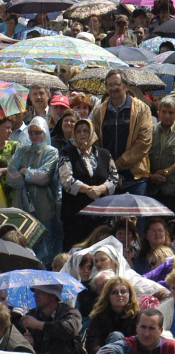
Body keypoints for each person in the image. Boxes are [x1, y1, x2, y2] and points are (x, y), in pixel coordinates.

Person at [6, 116, 61, 264]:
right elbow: (10, 176)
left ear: (45, 133)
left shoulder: (51, 152)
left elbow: (44, 177)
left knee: (44, 239)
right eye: (31, 132)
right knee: (20, 237)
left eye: (38, 132)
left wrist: (26, 172)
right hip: (21, 202)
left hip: (43, 204)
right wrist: (30, 175)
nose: (34, 136)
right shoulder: (22, 150)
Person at [59, 118, 119, 251]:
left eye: (86, 131)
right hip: (75, 214)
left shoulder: (105, 154)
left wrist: (100, 189)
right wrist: (88, 190)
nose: (82, 134)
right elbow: (66, 179)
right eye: (78, 131)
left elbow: (114, 177)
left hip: (100, 215)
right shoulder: (66, 153)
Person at [91, 69, 154, 196]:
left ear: (125, 86)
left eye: (117, 84)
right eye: (109, 85)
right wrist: (106, 167)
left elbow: (144, 142)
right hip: (107, 178)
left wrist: (117, 165)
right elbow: (95, 141)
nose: (113, 88)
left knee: (134, 216)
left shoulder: (142, 109)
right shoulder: (98, 111)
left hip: (134, 178)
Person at [18, 284, 85, 354]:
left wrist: (39, 325)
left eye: (40, 292)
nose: (35, 296)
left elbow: (69, 329)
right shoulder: (31, 315)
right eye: (35, 292)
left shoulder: (70, 312)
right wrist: (26, 341)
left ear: (53, 295)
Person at [85, 275, 140, 354]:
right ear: (108, 296)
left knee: (116, 336)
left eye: (123, 291)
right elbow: (93, 342)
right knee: (115, 336)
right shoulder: (99, 316)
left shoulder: (138, 316)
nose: (119, 294)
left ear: (130, 294)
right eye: (114, 292)